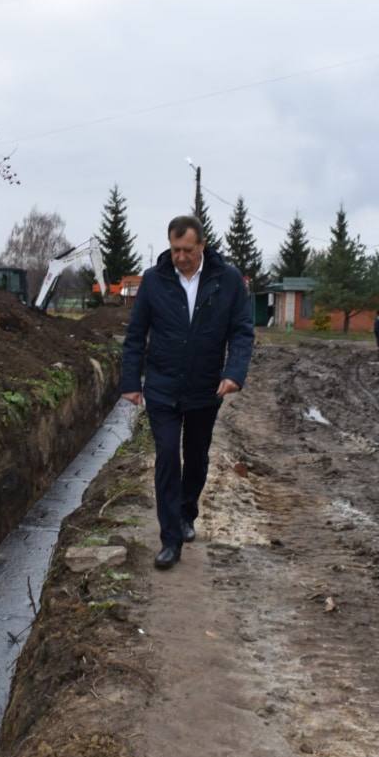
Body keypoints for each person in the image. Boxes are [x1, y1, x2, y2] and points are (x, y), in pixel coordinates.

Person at [121, 215, 254, 570]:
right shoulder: (154, 280)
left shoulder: (227, 280)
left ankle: (186, 513)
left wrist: (234, 373)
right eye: (175, 249)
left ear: (202, 246)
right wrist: (131, 381)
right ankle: (170, 539)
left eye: (187, 250)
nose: (180, 257)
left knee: (195, 456)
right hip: (162, 386)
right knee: (167, 455)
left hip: (205, 387)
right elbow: (136, 334)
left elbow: (242, 331)